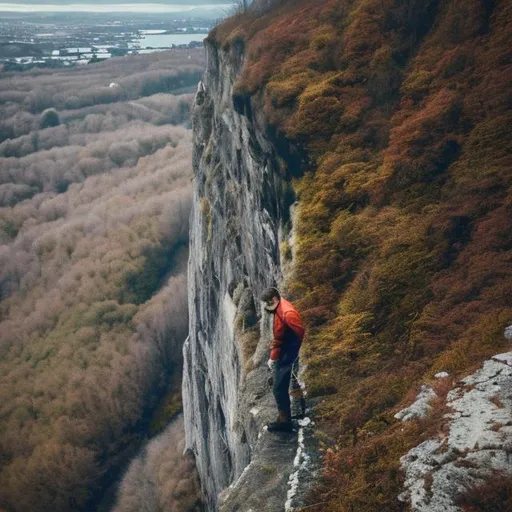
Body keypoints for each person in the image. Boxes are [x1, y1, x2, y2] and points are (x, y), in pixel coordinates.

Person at [260, 286, 305, 432]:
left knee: (280, 387)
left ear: (274, 299)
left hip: (289, 352)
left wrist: (293, 352)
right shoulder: (280, 308)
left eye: (268, 303)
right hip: (286, 351)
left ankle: (285, 422)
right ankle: (292, 415)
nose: (267, 307)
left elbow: (299, 332)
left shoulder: (287, 313)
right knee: (285, 384)